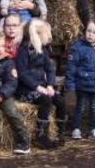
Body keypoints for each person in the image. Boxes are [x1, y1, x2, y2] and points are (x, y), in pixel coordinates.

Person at [15, 19, 67, 150]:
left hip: (43, 86)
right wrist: (38, 88)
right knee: (46, 100)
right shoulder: (23, 50)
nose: (49, 37)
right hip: (26, 89)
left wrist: (50, 85)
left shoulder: (43, 50)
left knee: (60, 101)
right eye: (46, 33)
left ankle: (59, 133)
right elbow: (23, 74)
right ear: (36, 34)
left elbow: (50, 68)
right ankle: (41, 135)